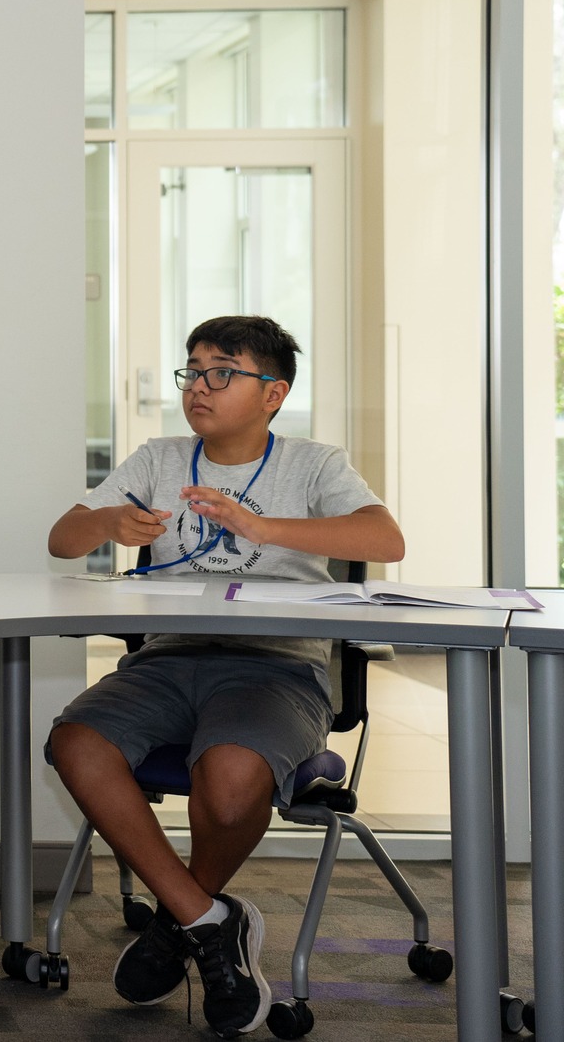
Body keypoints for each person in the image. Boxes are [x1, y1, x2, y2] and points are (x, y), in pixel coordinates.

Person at [44, 315, 405, 1039]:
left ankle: (181, 920)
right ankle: (209, 917)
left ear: (273, 392)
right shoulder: (160, 456)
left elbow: (384, 538)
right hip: (169, 657)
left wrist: (264, 528)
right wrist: (110, 520)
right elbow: (61, 539)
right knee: (75, 742)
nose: (198, 387)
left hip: (276, 665)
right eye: (192, 370)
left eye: (221, 371)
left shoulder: (314, 464)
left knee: (231, 777)